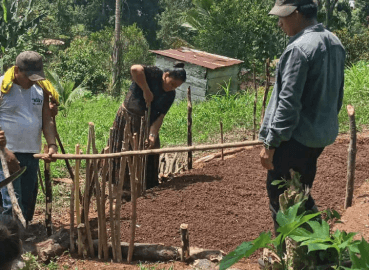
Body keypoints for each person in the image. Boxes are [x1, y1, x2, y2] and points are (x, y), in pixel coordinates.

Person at [259, 0, 345, 232]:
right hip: (318, 136)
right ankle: (319, 252)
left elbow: (288, 104)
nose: (279, 23)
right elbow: (337, 95)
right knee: (301, 193)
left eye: (282, 17)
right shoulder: (334, 42)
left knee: (282, 199)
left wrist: (271, 143)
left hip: (294, 139)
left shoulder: (299, 49)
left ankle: (289, 255)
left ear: (297, 14)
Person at [0, 51, 59, 223]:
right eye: (29, 76)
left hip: (31, 154)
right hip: (6, 154)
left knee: (27, 201)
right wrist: (4, 151)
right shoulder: (3, 87)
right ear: (17, 70)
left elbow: (46, 119)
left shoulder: (41, 89)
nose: (32, 81)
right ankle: (10, 246)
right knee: (12, 204)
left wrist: (52, 144)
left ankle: (22, 241)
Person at [111, 62, 186, 190]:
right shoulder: (154, 73)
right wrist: (146, 90)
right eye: (172, 84)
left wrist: (152, 134)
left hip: (147, 123)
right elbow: (135, 69)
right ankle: (122, 188)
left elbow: (160, 117)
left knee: (152, 149)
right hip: (128, 117)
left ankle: (146, 185)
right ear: (166, 75)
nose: (172, 88)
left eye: (176, 87)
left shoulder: (170, 95)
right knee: (125, 151)